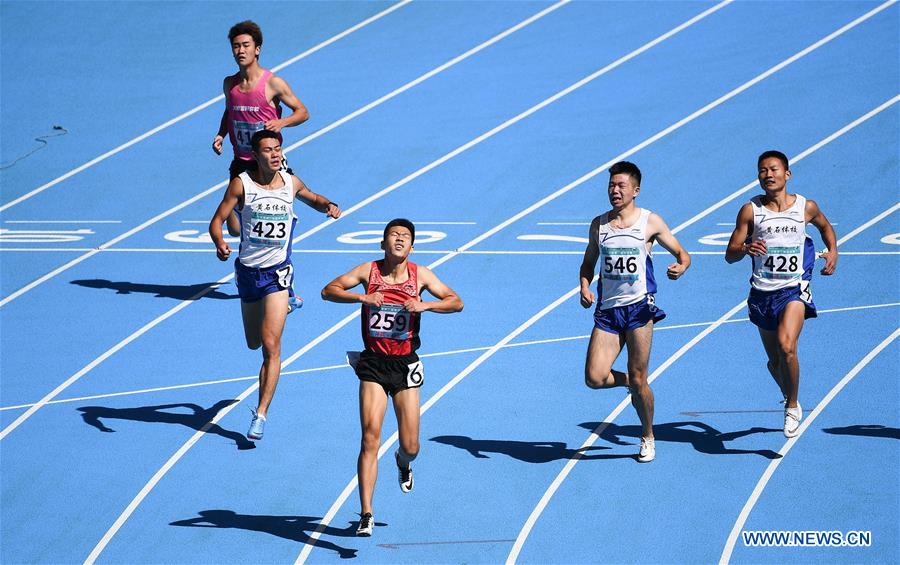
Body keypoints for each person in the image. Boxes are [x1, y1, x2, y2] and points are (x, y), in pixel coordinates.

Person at [321, 219, 463, 536]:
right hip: (373, 363)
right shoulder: (367, 272)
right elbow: (328, 291)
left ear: (411, 247)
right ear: (383, 243)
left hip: (404, 364)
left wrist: (425, 305)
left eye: (405, 237)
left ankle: (402, 462)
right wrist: (362, 298)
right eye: (393, 235)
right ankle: (366, 513)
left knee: (411, 445)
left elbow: (457, 302)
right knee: (370, 436)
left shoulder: (420, 275)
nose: (399, 239)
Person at [209, 130, 341, 440]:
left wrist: (329, 206)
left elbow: (313, 197)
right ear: (255, 156)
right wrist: (219, 242)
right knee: (253, 342)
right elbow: (217, 221)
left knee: (270, 346)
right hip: (247, 273)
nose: (275, 154)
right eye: (268, 150)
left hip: (277, 275)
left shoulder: (290, 183)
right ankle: (284, 305)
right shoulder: (242, 184)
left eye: (278, 148)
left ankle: (261, 414)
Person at [579, 161, 691, 463]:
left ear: (635, 190)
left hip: (640, 309)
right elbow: (588, 263)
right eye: (611, 186)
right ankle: (631, 380)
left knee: (642, 380)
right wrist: (584, 287)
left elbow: (683, 253)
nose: (615, 191)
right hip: (608, 311)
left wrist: (680, 266)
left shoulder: (650, 222)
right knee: (594, 377)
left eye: (621, 186)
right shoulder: (599, 225)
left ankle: (647, 435)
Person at [725, 150, 837, 437]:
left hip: (793, 289)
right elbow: (730, 254)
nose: (768, 174)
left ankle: (791, 405)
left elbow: (825, 227)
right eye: (762, 170)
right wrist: (746, 248)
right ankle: (789, 392)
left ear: (787, 174)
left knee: (788, 346)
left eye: (773, 169)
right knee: (776, 362)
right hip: (762, 293)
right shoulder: (751, 210)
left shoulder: (805, 207)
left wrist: (833, 251)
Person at [212, 20, 310, 239]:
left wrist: (281, 123)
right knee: (235, 229)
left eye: (246, 45)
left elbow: (302, 112)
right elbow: (230, 111)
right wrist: (221, 134)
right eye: (236, 46)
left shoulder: (273, 83)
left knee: (278, 211)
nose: (241, 50)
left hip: (268, 160)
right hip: (242, 160)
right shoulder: (230, 84)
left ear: (257, 49)